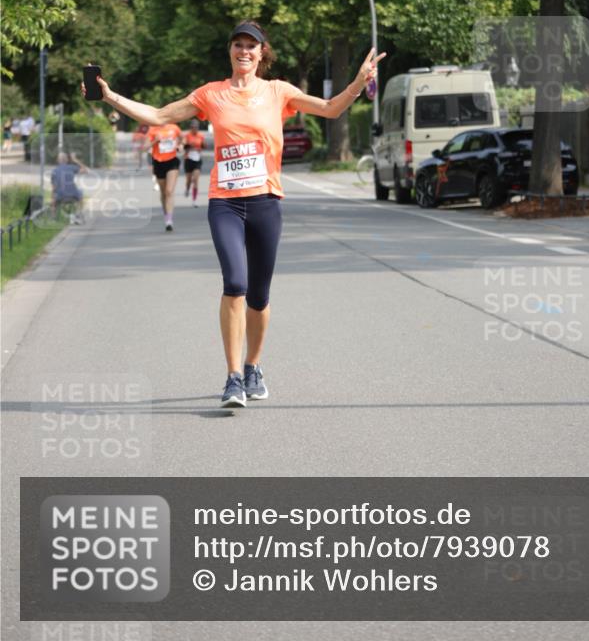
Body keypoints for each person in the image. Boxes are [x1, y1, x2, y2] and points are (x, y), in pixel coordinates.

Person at [82, 20, 384, 408]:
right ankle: (233, 377)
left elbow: (329, 108)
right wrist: (109, 96)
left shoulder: (279, 92)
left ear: (262, 53)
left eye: (251, 46)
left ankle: (254, 365)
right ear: (230, 51)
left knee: (259, 295)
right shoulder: (212, 94)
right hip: (225, 202)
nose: (244, 51)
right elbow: (158, 116)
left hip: (265, 202)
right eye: (238, 45)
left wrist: (359, 81)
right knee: (235, 283)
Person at [142, 122, 182, 232]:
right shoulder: (153, 130)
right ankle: (166, 216)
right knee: (163, 192)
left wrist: (180, 145)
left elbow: (181, 139)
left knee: (169, 191)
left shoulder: (174, 128)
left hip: (172, 162)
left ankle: (169, 221)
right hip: (159, 163)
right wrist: (155, 140)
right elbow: (144, 147)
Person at [51, 151, 88, 223]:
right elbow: (85, 170)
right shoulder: (71, 167)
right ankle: (77, 214)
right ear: (67, 160)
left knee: (53, 199)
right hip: (73, 195)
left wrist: (52, 199)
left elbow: (54, 187)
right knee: (81, 192)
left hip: (60, 197)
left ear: (58, 161)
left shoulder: (54, 171)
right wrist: (75, 160)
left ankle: (54, 218)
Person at [183, 118, 206, 207]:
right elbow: (184, 145)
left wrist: (202, 146)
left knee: (195, 180)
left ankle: (194, 200)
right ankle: (187, 188)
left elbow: (204, 145)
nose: (194, 129)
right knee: (189, 180)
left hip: (197, 159)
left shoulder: (200, 136)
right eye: (193, 127)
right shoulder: (187, 136)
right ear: (191, 127)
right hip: (188, 159)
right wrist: (189, 146)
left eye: (196, 127)